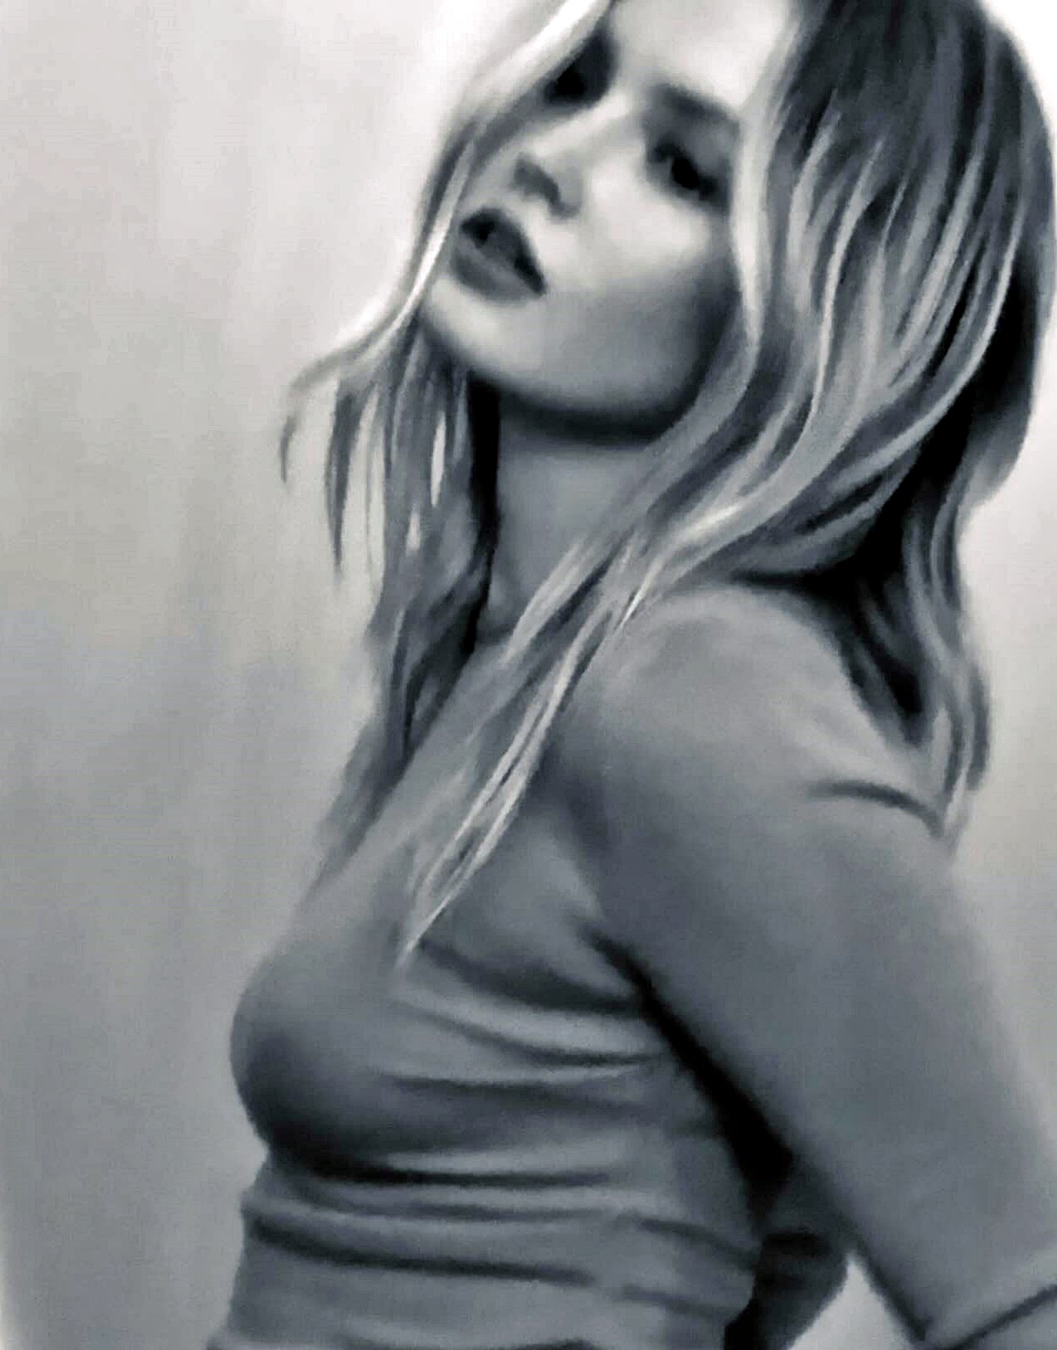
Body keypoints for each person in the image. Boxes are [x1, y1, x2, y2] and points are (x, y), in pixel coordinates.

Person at [210, 0, 1057, 1347]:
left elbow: (1022, 1293)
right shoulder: (530, 665)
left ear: (816, 308)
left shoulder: (693, 696)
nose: (551, 156)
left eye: (680, 167)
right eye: (576, 84)